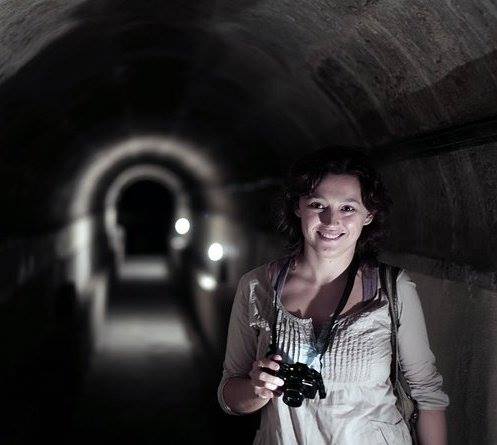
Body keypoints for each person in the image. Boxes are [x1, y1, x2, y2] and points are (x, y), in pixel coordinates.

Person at [218, 148, 449, 444]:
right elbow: (228, 394)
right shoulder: (257, 286)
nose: (331, 220)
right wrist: (256, 389)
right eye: (318, 204)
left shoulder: (393, 289)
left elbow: (427, 396)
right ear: (298, 207)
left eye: (348, 208)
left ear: (369, 215)